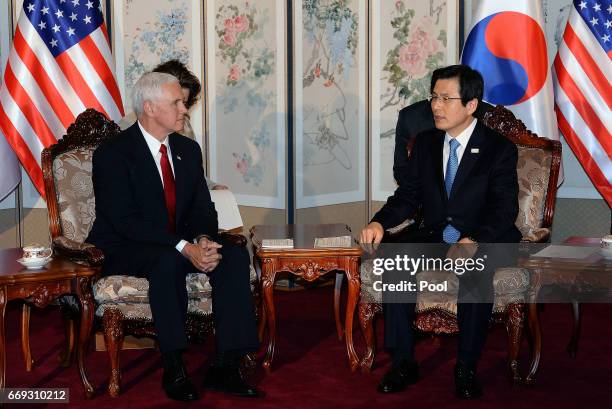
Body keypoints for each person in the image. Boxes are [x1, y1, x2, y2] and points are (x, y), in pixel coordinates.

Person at [86, 72, 260, 401]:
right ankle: (175, 365)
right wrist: (183, 246)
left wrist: (205, 238)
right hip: (126, 246)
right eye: (177, 102)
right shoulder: (113, 153)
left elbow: (203, 207)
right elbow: (124, 222)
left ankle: (225, 364)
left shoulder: (187, 150)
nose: (184, 109)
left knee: (234, 255)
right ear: (150, 107)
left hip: (179, 243)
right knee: (168, 261)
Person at [360, 65, 521, 399]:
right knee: (394, 263)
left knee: (475, 270)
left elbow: (505, 210)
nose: (436, 105)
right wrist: (380, 222)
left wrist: (473, 240)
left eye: (446, 98)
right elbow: (407, 196)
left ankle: (466, 366)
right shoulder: (426, 144)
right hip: (436, 234)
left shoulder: (498, 148)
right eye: (434, 96)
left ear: (471, 104)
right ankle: (403, 361)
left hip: (482, 237)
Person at [120, 59, 227, 190]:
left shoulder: (184, 126)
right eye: (175, 102)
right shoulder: (125, 130)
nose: (183, 110)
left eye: (184, 102)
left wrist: (213, 187)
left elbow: (189, 173)